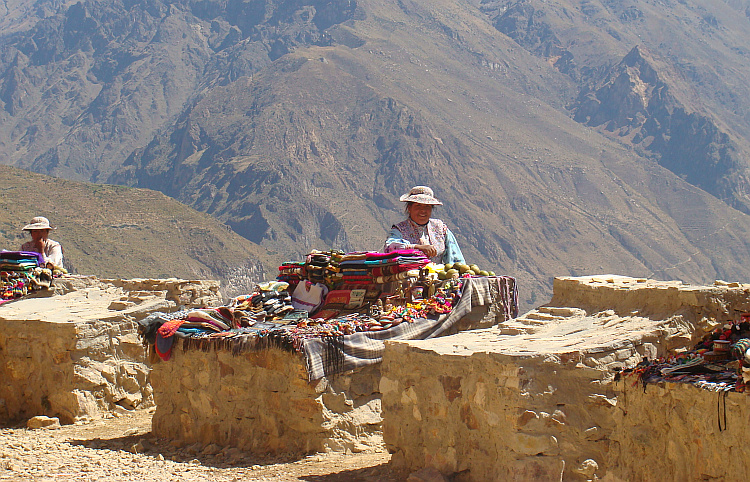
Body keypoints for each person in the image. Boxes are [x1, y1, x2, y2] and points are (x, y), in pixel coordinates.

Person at [383, 186, 466, 264]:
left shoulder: (440, 228)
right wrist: (418, 247)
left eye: (427, 206)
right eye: (418, 206)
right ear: (409, 208)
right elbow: (390, 248)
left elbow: (454, 257)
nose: (423, 210)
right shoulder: (399, 230)